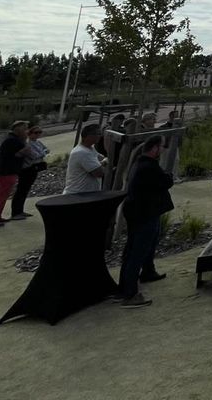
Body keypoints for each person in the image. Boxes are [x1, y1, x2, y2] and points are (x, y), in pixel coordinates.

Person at [117, 136, 175, 309]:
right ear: (155, 148)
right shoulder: (148, 166)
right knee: (137, 251)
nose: (162, 150)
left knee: (141, 247)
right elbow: (165, 182)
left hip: (141, 211)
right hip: (144, 213)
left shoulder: (139, 163)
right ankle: (129, 293)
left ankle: (146, 272)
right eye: (161, 147)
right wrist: (168, 176)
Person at [0, 121, 31, 228]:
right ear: (17, 129)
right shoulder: (13, 141)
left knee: (2, 197)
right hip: (6, 173)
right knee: (0, 197)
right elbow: (21, 153)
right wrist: (25, 148)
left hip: (7, 172)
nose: (26, 131)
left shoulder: (12, 140)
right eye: (24, 129)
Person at [11, 125, 49, 220]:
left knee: (25, 190)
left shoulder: (38, 142)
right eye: (36, 133)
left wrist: (42, 153)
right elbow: (34, 155)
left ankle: (20, 210)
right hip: (27, 169)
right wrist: (42, 153)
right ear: (30, 133)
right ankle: (15, 212)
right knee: (21, 189)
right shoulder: (28, 143)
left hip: (34, 168)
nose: (38, 135)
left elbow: (47, 150)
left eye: (40, 132)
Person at [65, 123, 107, 194]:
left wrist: (103, 161)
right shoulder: (82, 152)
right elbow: (99, 173)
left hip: (84, 194)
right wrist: (105, 162)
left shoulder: (90, 148)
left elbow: (101, 157)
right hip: (78, 195)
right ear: (88, 136)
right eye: (98, 134)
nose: (100, 136)